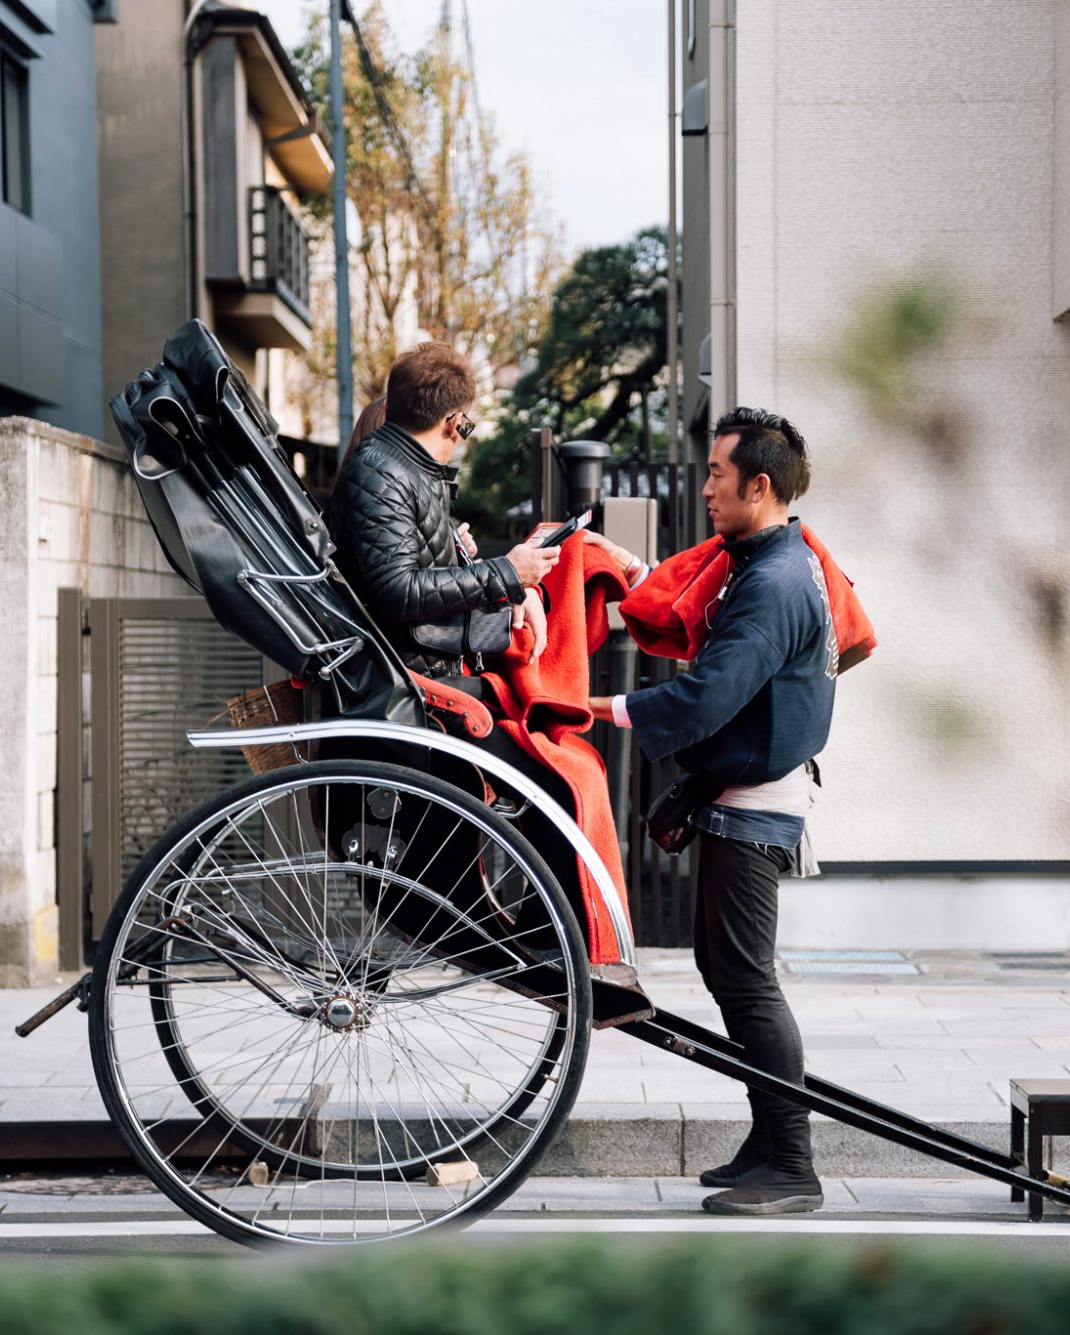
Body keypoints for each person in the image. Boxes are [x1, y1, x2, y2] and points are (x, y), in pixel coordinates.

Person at [591, 406, 838, 1217]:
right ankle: (769, 1139)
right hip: (746, 792)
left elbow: (706, 697)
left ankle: (793, 1165)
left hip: (756, 803)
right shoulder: (769, 559)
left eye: (716, 475)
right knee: (727, 970)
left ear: (758, 486)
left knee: (746, 978)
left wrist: (603, 708)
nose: (705, 489)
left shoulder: (772, 582)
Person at [328, 343, 554, 674]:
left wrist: (455, 551)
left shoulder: (402, 468)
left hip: (416, 674)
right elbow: (398, 589)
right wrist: (508, 572)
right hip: (403, 685)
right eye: (466, 426)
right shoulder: (383, 472)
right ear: (456, 422)